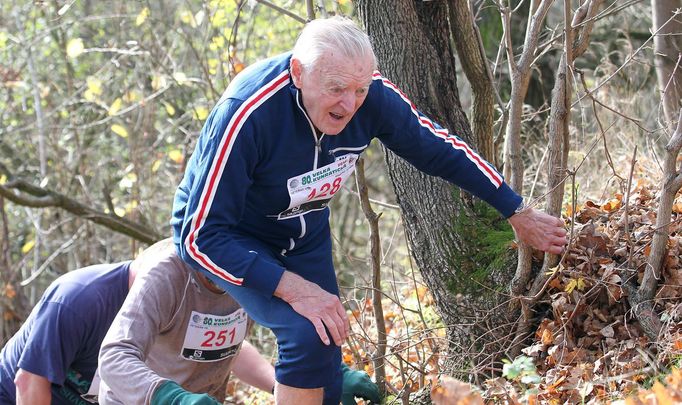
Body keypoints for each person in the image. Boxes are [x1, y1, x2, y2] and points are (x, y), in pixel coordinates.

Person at [170, 15, 567, 405]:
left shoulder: (369, 94)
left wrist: (515, 209)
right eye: (337, 89)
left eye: (360, 90)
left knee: (326, 343)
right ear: (298, 72)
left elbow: (439, 149)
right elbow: (198, 236)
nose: (350, 104)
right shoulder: (247, 113)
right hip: (232, 236)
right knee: (306, 332)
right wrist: (292, 287)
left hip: (303, 226)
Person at [0, 239, 379, 405]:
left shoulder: (189, 291)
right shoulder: (77, 299)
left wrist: (310, 379)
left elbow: (225, 345)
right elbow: (29, 384)